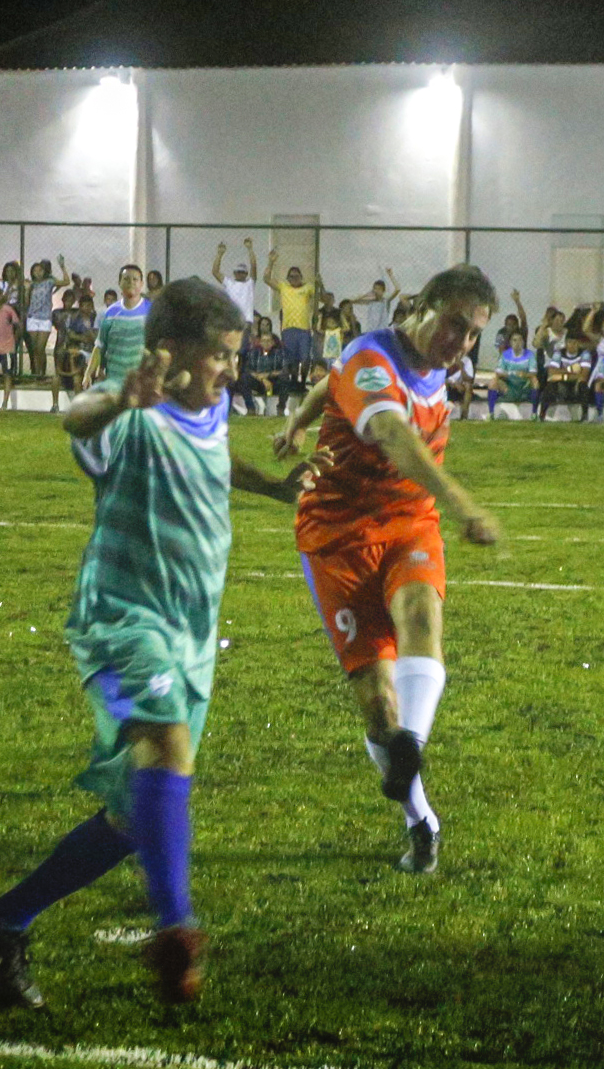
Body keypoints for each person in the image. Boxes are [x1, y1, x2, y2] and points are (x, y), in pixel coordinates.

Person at [0, 281, 305, 1009]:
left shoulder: (211, 405)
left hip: (191, 631)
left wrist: (271, 487)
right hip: (121, 620)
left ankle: (2, 921)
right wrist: (119, 397)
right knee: (166, 751)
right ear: (168, 354)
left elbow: (213, 454)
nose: (231, 372)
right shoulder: (130, 413)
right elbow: (77, 423)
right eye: (220, 358)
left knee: (133, 813)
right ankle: (175, 928)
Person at [272, 266, 505, 874]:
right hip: (338, 534)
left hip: (407, 523)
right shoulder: (372, 358)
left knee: (421, 616)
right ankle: (421, 820)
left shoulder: (418, 362)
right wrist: (463, 504)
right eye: (454, 323)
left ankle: (411, 745)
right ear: (421, 306)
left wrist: (298, 417)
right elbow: (395, 436)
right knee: (377, 699)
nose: (462, 341)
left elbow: (331, 384)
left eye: (474, 333)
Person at [90, 263, 154, 385]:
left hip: (140, 382)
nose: (131, 282)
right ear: (119, 283)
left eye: (135, 279)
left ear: (141, 284)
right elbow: (100, 345)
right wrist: (90, 372)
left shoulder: (151, 311)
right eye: (126, 279)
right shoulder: (111, 313)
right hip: (114, 380)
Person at [264, 247, 318, 384]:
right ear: (288, 278)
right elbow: (266, 279)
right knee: (292, 360)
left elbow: (321, 297)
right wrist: (271, 262)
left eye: (297, 276)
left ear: (301, 277)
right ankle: (294, 383)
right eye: (291, 276)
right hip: (288, 329)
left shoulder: (308, 288)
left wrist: (320, 284)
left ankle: (302, 382)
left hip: (304, 329)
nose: (294, 278)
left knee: (305, 359)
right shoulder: (284, 287)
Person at [211, 238, 261, 323]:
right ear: (234, 273)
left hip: (246, 320)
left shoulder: (250, 284)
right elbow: (215, 272)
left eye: (243, 272)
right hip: (232, 321)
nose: (240, 274)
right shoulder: (229, 283)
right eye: (238, 272)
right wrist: (219, 254)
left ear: (246, 274)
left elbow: (254, 266)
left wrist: (250, 249)